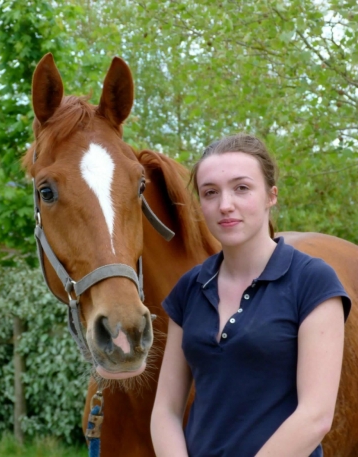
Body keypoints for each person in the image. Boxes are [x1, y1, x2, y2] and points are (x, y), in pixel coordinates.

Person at [150, 133, 350, 457]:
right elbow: (166, 411)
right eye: (210, 192)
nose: (225, 204)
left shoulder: (313, 281)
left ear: (271, 196)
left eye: (241, 188)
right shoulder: (189, 289)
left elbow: (316, 417)